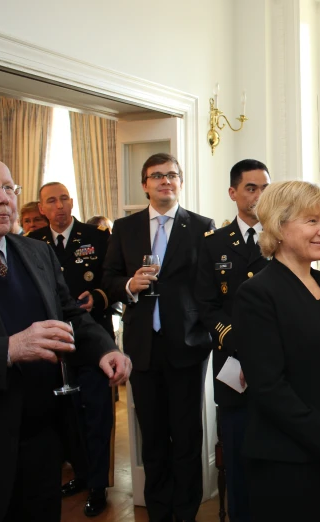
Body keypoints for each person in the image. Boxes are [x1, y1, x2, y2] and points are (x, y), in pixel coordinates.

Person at [0, 152, 131, 522]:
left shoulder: (37, 252)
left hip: (44, 443)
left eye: (9, 188)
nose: (4, 198)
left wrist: (104, 349)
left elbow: (71, 314)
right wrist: (9, 349)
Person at [232, 181, 320, 522]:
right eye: (312, 221)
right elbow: (268, 386)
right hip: (287, 461)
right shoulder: (256, 294)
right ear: (280, 226)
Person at [103, 152, 214, 522]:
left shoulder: (202, 227)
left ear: (180, 182)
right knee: (152, 437)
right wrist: (129, 286)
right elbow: (109, 278)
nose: (165, 181)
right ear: (144, 184)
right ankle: (159, 511)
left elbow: (209, 288)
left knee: (185, 437)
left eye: (172, 175)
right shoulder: (125, 227)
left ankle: (185, 512)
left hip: (186, 346)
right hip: (141, 349)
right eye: (157, 176)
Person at [27, 181, 114, 516]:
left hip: (92, 343)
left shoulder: (96, 238)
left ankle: (98, 485)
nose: (60, 205)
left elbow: (113, 281)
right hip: (54, 347)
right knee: (68, 417)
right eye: (52, 200)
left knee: (96, 416)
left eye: (65, 198)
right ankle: (79, 473)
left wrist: (100, 298)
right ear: (42, 208)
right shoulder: (31, 243)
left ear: (73, 202)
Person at [194, 159, 271, 522]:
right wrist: (236, 340)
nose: (258, 195)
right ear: (233, 193)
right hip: (232, 364)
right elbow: (206, 305)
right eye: (251, 188)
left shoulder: (280, 237)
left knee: (275, 455)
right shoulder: (213, 244)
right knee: (238, 453)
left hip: (276, 364)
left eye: (264, 188)